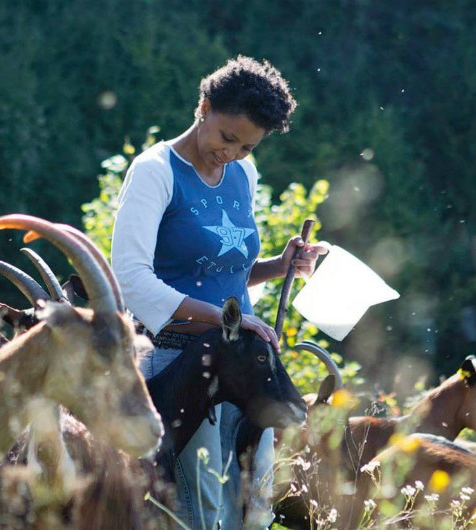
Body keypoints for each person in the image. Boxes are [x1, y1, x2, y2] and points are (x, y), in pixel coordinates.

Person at [112, 56, 327, 530]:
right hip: (176, 364)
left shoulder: (243, 177)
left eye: (248, 147)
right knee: (201, 510)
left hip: (243, 365)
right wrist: (223, 319)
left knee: (253, 510)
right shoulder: (155, 171)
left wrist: (277, 266)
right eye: (227, 138)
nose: (232, 154)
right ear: (203, 107)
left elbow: (221, 271)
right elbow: (129, 277)